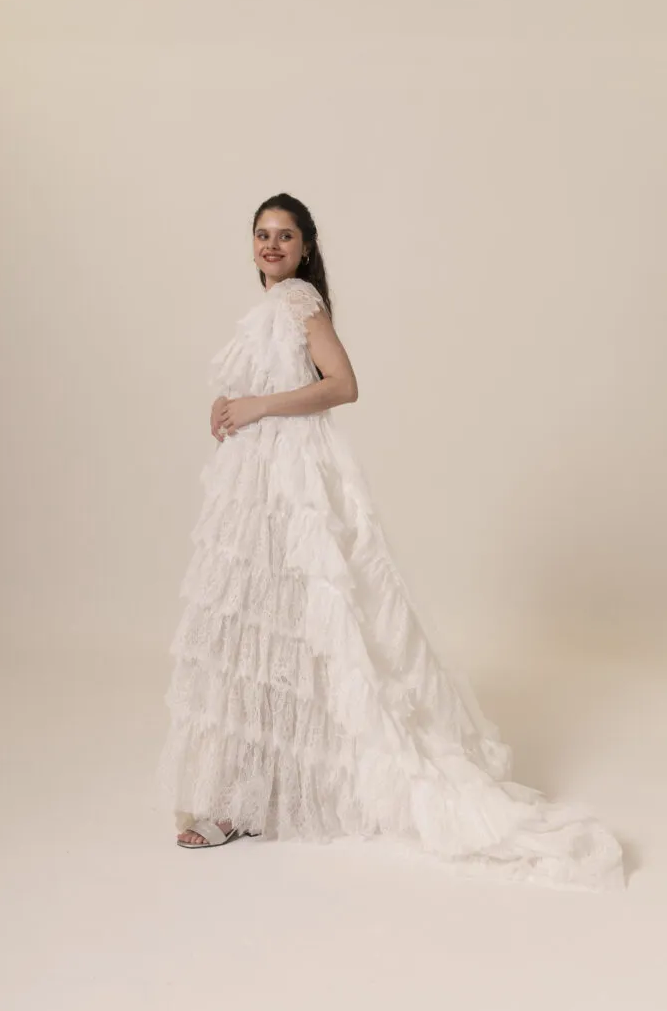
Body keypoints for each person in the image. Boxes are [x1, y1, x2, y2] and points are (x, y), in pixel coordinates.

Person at [157, 192, 625, 891]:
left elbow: (343, 385)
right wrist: (229, 409)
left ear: (306, 248)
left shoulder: (300, 303)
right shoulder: (270, 308)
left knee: (294, 630)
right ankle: (255, 791)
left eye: (285, 235)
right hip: (257, 484)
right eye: (262, 234)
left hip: (292, 483)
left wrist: (258, 407)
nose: (271, 245)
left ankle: (247, 799)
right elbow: (266, 386)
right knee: (261, 635)